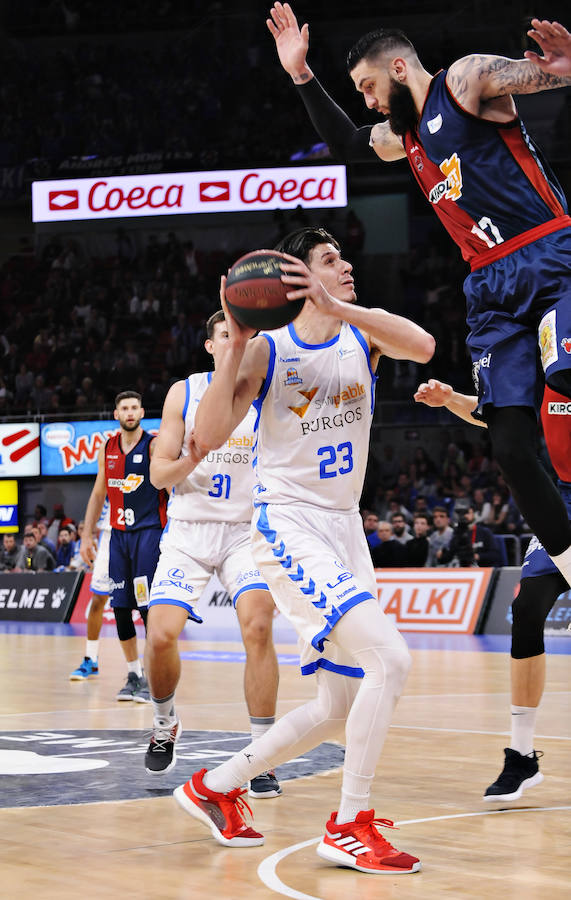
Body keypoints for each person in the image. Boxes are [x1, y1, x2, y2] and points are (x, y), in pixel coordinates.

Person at [267, 4, 571, 593]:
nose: (368, 101)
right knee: (507, 442)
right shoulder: (402, 138)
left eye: (369, 87)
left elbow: (536, 73)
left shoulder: (463, 82)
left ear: (400, 68)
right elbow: (350, 142)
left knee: (565, 380)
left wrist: (563, 67)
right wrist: (302, 75)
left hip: (552, 256)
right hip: (488, 283)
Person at [172, 226, 434, 874]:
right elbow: (203, 438)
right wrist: (233, 341)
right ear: (293, 279)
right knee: (390, 660)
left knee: (335, 706)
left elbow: (424, 347)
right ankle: (349, 823)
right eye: (327, 260)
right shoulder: (268, 352)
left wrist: (337, 304)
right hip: (289, 526)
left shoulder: (358, 331)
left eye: (341, 258)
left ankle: (216, 786)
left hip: (345, 530)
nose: (344, 265)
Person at [143, 311, 281, 798]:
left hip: (245, 530)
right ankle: (165, 722)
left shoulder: (267, 387)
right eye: (228, 334)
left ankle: (261, 751)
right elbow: (159, 477)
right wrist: (192, 457)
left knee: (258, 626)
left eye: (246, 335)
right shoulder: (186, 391)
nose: (238, 341)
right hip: (190, 530)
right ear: (210, 345)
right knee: (160, 636)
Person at [414, 377, 570, 800]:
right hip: (564, 505)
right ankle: (521, 756)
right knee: (527, 607)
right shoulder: (552, 379)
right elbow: (498, 420)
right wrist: (450, 401)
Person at [80, 391, 168, 702]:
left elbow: (170, 488)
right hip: (118, 536)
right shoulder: (108, 447)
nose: (129, 413)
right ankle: (134, 674)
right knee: (119, 609)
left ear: (142, 412)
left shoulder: (155, 444)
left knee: (146, 610)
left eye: (134, 407)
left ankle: (153, 676)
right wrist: (87, 534)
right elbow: (98, 493)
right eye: (124, 408)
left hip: (148, 535)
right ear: (116, 414)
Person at [70, 500, 111, 680]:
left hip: (139, 533)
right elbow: (97, 494)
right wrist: (87, 534)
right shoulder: (106, 471)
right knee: (97, 599)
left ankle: (140, 669)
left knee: (142, 605)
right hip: (109, 535)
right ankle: (90, 659)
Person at [439, 499, 501, 567]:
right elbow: (450, 555)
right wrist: (442, 555)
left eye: (467, 513)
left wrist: (477, 556)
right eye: (460, 514)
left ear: (474, 514)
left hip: (482, 569)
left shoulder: (485, 532)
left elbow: (495, 555)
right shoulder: (457, 533)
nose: (464, 516)